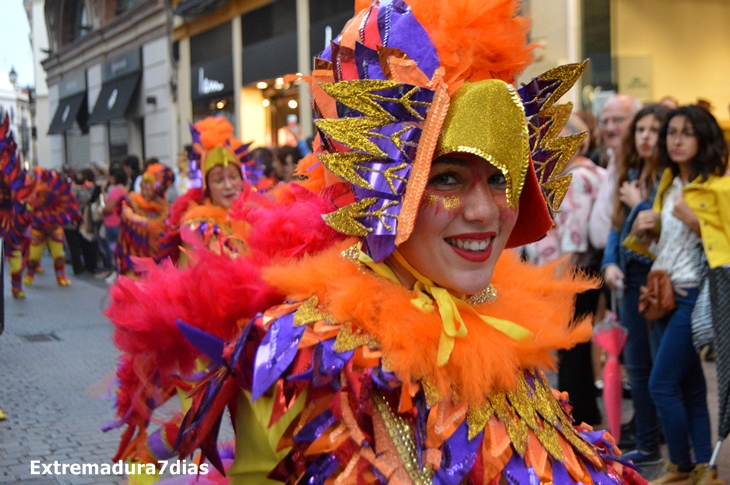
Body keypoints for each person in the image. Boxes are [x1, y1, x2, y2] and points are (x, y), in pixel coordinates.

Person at [105, 2, 650, 484]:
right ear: (384, 187)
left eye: (500, 178)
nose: (485, 213)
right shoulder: (303, 357)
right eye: (447, 178)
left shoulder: (501, 323)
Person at [632, 105, 727, 485]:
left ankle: (682, 465)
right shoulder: (668, 183)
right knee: (689, 385)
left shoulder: (720, 187)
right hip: (662, 293)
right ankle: (700, 467)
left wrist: (696, 221)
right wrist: (644, 233)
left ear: (702, 138)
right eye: (672, 132)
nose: (676, 140)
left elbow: (724, 249)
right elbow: (666, 246)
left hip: (694, 295)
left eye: (686, 133)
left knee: (660, 384)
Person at [525, 114, 606, 426]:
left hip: (569, 276)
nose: (544, 146)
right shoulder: (595, 173)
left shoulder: (575, 178)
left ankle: (578, 417)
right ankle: (586, 411)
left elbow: (573, 237)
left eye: (553, 138)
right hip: (584, 275)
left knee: (571, 352)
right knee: (578, 352)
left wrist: (561, 288)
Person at [601, 104, 670, 466]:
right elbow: (616, 226)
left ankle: (680, 454)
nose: (645, 136)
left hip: (659, 279)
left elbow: (657, 229)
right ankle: (646, 446)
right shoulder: (630, 172)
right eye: (640, 129)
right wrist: (609, 262)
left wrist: (638, 203)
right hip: (627, 280)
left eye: (654, 130)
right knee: (637, 368)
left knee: (664, 371)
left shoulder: (668, 179)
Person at [588, 94, 642, 251]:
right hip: (606, 261)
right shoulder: (612, 158)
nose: (609, 128)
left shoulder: (638, 165)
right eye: (604, 121)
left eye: (618, 120)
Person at [24, 168, 80, 288]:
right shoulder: (36, 192)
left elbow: (69, 205)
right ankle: (29, 275)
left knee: (59, 256)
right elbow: (29, 207)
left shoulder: (61, 193)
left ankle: (61, 278)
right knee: (33, 258)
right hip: (38, 230)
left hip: (55, 229)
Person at [116, 163, 174, 275]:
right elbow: (131, 221)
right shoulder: (131, 203)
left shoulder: (166, 210)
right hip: (134, 263)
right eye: (145, 182)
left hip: (158, 266)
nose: (146, 187)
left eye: (152, 184)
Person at [0, 114, 33, 298]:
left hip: (10, 218)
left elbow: (22, 194)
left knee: (14, 252)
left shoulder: (12, 172)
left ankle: (16, 287)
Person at [99, 166, 129, 281]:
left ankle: (116, 272)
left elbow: (109, 208)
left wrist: (102, 210)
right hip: (118, 223)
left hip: (113, 224)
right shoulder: (124, 189)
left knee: (113, 249)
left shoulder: (116, 190)